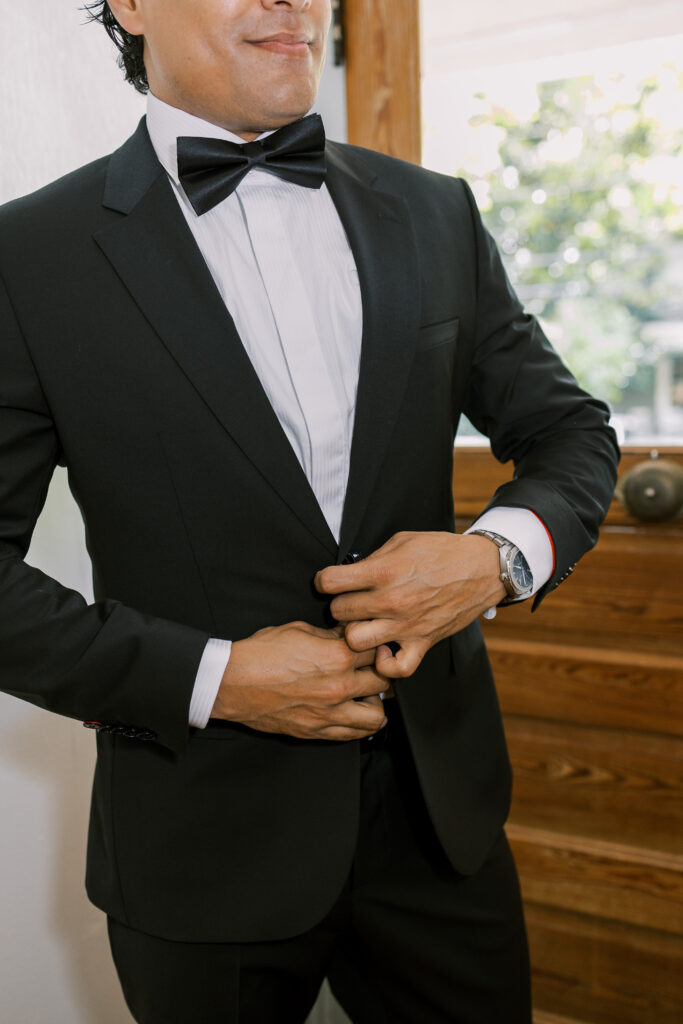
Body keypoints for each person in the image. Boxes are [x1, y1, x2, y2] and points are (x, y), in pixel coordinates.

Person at [0, 1, 618, 1021]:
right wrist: (217, 677)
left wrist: (492, 559)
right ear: (131, 4)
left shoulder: (434, 212)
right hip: (199, 841)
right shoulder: (28, 258)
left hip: (440, 827)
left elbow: (570, 436)